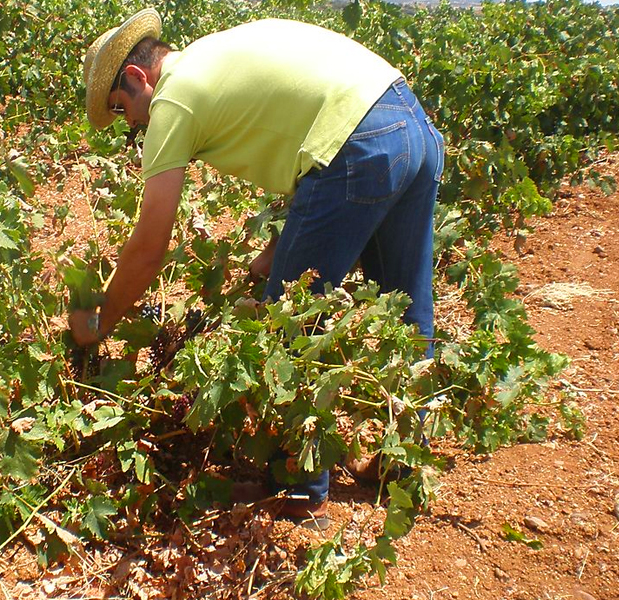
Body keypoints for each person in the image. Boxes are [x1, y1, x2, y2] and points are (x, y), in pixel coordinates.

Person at [70, 8, 444, 525]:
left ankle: (296, 489)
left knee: (283, 328)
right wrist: (281, 250)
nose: (132, 127)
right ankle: (406, 461)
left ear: (137, 77)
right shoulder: (217, 55)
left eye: (122, 109)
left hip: (356, 145)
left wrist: (98, 321)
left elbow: (150, 245)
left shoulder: (175, 98)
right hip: (410, 125)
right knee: (407, 309)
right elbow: (316, 120)